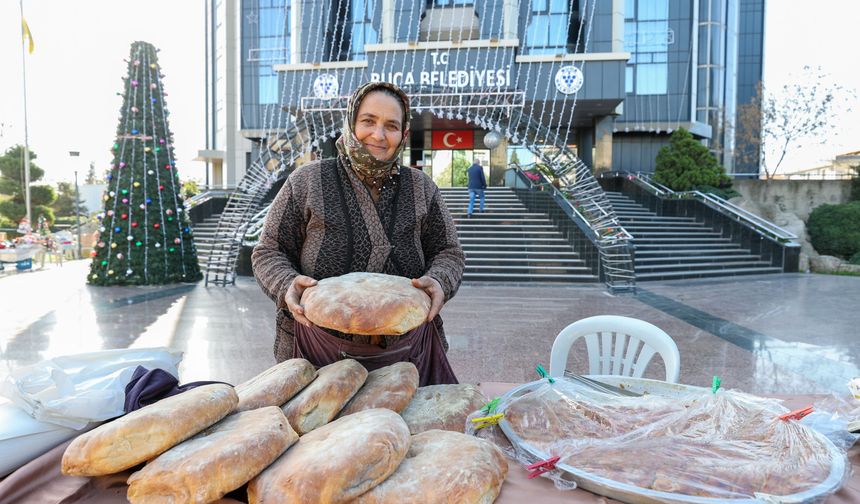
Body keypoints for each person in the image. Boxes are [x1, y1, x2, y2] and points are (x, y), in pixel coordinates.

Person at [251, 81, 466, 385]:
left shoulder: (422, 188)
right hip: (317, 352)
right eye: (368, 121)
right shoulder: (307, 181)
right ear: (351, 124)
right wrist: (286, 283)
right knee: (322, 429)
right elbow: (268, 250)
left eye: (391, 125)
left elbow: (448, 252)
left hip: (407, 351)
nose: (378, 135)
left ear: (403, 134)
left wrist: (441, 280)